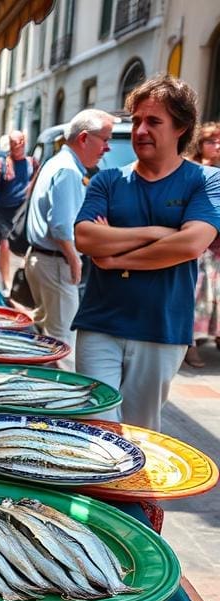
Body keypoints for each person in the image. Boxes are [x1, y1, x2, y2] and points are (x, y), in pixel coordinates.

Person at [73, 75, 220, 431]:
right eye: (136, 120)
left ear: (181, 128)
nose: (140, 130)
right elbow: (85, 238)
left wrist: (116, 255)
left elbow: (190, 244)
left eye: (153, 121)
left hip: (162, 327)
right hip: (100, 322)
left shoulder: (205, 180)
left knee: (140, 432)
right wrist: (156, 233)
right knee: (96, 426)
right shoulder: (107, 180)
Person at [24, 109, 118, 372]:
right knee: (62, 342)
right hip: (55, 262)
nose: (107, 148)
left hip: (44, 260)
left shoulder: (58, 163)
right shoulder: (68, 170)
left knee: (47, 334)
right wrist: (74, 258)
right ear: (85, 138)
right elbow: (62, 226)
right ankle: (59, 404)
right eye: (105, 140)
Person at [185, 121, 220, 367]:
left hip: (217, 246)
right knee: (195, 297)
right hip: (198, 243)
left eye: (219, 141)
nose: (216, 146)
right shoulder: (194, 170)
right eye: (211, 141)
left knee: (214, 298)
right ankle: (190, 344)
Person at [0, 130, 37, 289]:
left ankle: (26, 278)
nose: (17, 145)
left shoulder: (31, 163)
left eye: (20, 141)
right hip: (4, 211)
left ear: (24, 142)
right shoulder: (1, 164)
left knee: (26, 246)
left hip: (23, 210)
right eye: (13, 142)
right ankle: (6, 282)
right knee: (5, 245)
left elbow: (37, 183)